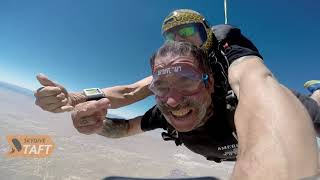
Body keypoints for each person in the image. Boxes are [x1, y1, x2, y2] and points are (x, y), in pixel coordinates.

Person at [34, 9, 320, 133]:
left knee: (314, 119)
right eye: (173, 39)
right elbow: (131, 91)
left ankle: (317, 92)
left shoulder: (227, 47)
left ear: (207, 32)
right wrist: (76, 97)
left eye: (189, 34)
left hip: (250, 94)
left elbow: (253, 76)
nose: (182, 44)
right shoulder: (176, 68)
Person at [71, 41, 319, 179]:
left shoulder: (241, 104)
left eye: (187, 82)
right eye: (161, 87)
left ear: (210, 84)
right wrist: (96, 125)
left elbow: (275, 131)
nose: (172, 102)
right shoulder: (163, 115)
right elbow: (124, 129)